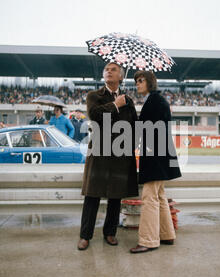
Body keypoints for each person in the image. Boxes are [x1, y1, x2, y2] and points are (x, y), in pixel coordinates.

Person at [78, 62, 138, 251]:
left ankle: (110, 233)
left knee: (115, 196)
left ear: (121, 76)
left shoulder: (127, 100)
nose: (109, 72)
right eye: (106, 70)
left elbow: (134, 126)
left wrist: (131, 146)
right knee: (92, 195)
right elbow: (94, 115)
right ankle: (85, 235)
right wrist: (114, 104)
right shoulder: (94, 96)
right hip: (99, 152)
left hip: (120, 154)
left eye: (113, 70)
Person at [130, 71, 182, 254]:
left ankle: (149, 241)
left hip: (155, 156)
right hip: (160, 155)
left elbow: (146, 128)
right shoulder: (156, 100)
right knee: (159, 196)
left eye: (141, 81)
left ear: (150, 82)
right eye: (136, 81)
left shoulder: (154, 101)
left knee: (149, 197)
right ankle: (167, 234)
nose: (137, 84)